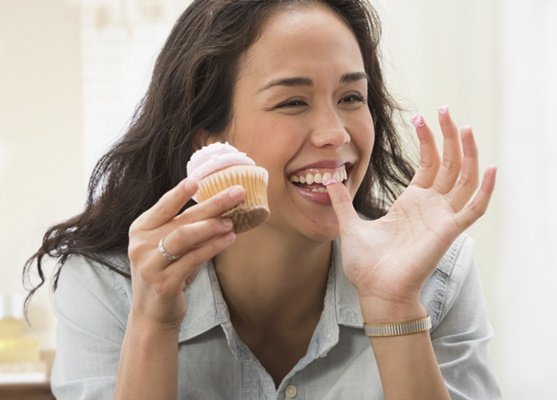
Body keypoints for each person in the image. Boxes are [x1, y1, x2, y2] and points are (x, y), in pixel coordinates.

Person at [24, 0, 502, 399]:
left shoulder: (432, 276)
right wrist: (152, 320)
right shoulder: (111, 285)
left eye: (352, 98)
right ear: (207, 138)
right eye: (293, 102)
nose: (335, 134)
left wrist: (395, 307)